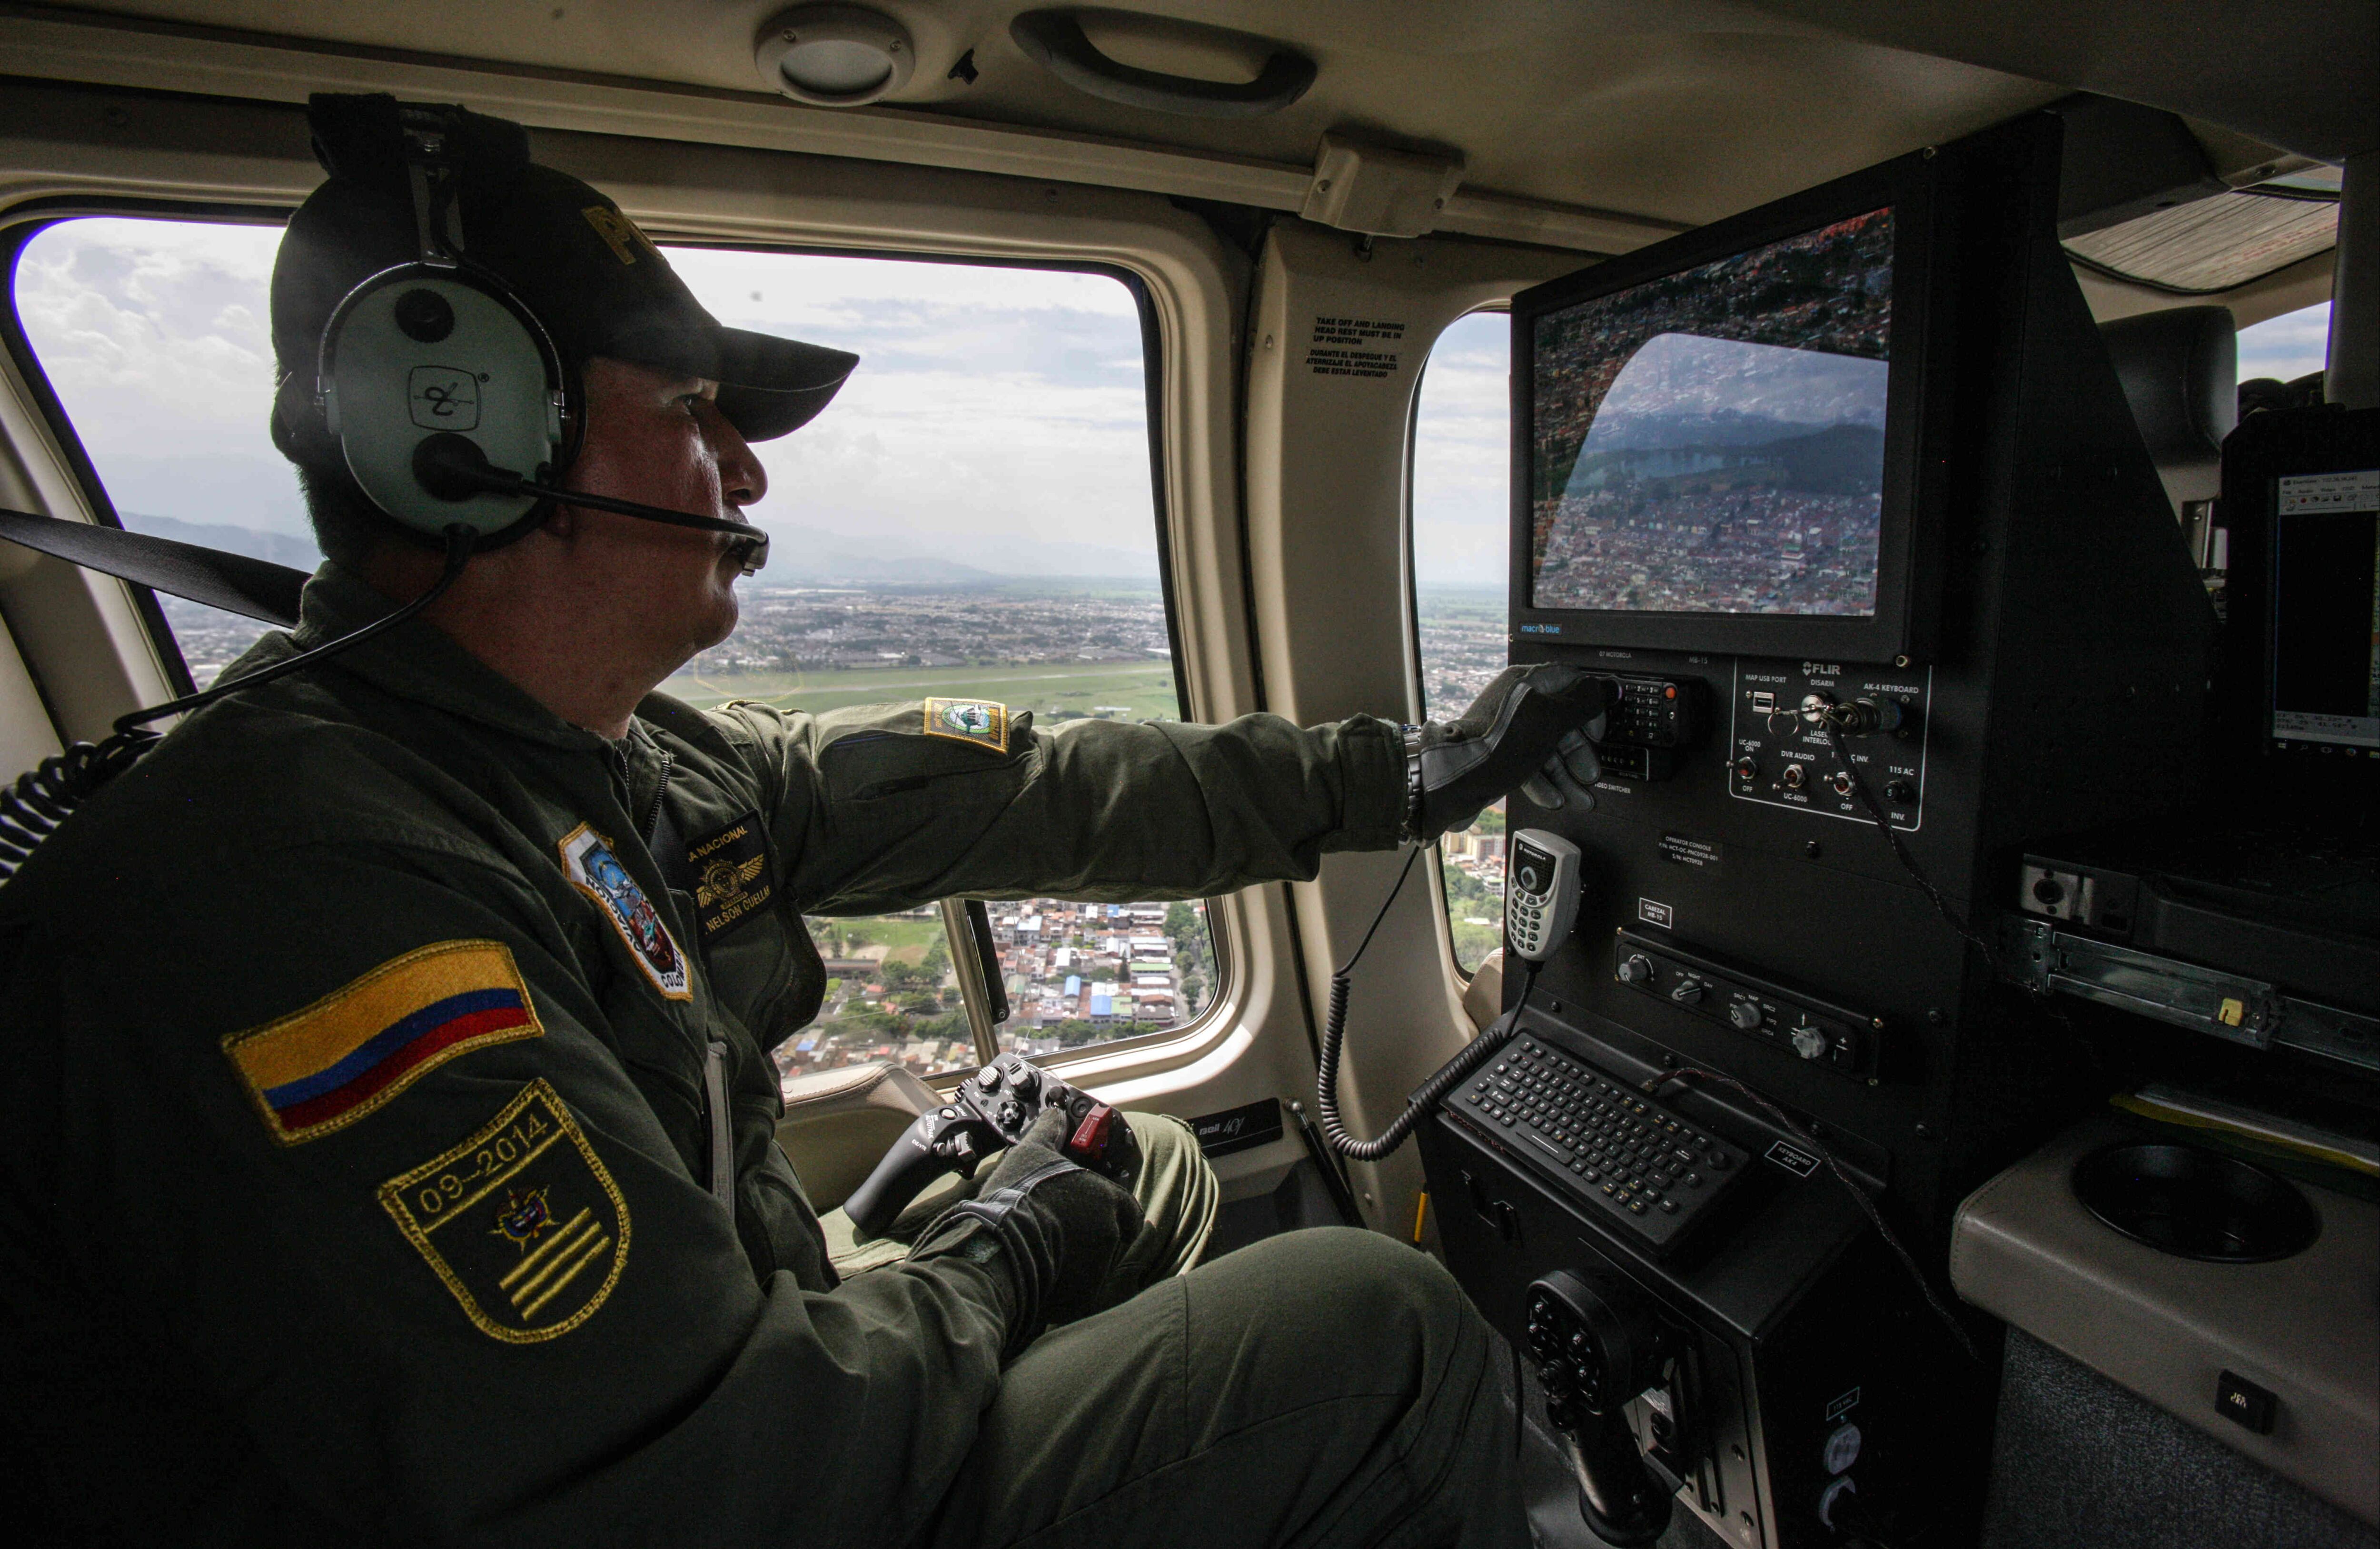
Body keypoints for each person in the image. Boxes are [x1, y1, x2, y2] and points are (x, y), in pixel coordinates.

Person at [0, 95, 1610, 1547]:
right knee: (1381, 1335)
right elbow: (693, 1477)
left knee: (1158, 1167)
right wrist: (997, 1254)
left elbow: (1038, 785)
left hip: (719, 1371)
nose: (746, 477)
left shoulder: (607, 762)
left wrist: (1406, 777)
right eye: (694, 409)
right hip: (704, 1479)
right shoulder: (303, 894)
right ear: (474, 434)